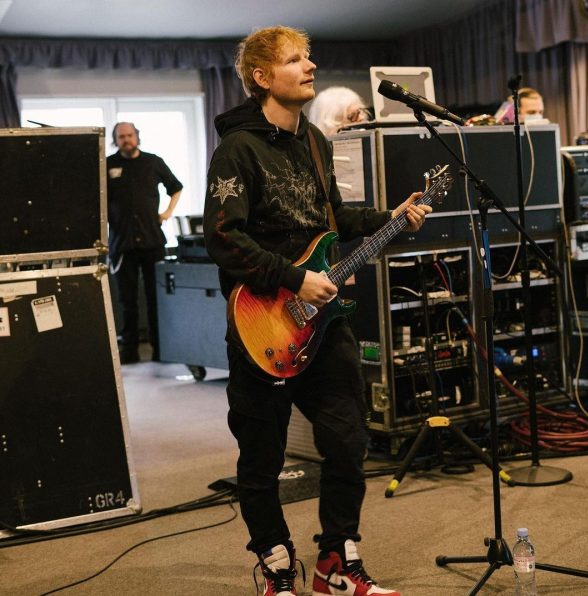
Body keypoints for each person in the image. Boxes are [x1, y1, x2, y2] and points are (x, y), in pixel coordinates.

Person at [203, 26, 431, 596]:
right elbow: (224, 239)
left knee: (348, 441)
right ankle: (277, 564)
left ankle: (337, 560)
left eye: (309, 57)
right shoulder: (237, 149)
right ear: (261, 77)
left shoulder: (315, 141)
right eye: (295, 60)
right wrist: (293, 279)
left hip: (324, 325)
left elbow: (332, 222)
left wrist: (390, 217)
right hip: (262, 321)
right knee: (261, 454)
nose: (310, 66)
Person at [107, 122, 183, 364]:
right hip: (122, 244)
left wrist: (167, 213)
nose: (126, 140)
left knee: (156, 299)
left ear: (137, 136)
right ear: (115, 140)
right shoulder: (107, 165)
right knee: (127, 301)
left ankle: (161, 350)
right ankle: (130, 352)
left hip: (152, 241)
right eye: (121, 136)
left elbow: (176, 187)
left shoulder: (153, 162)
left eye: (130, 135)